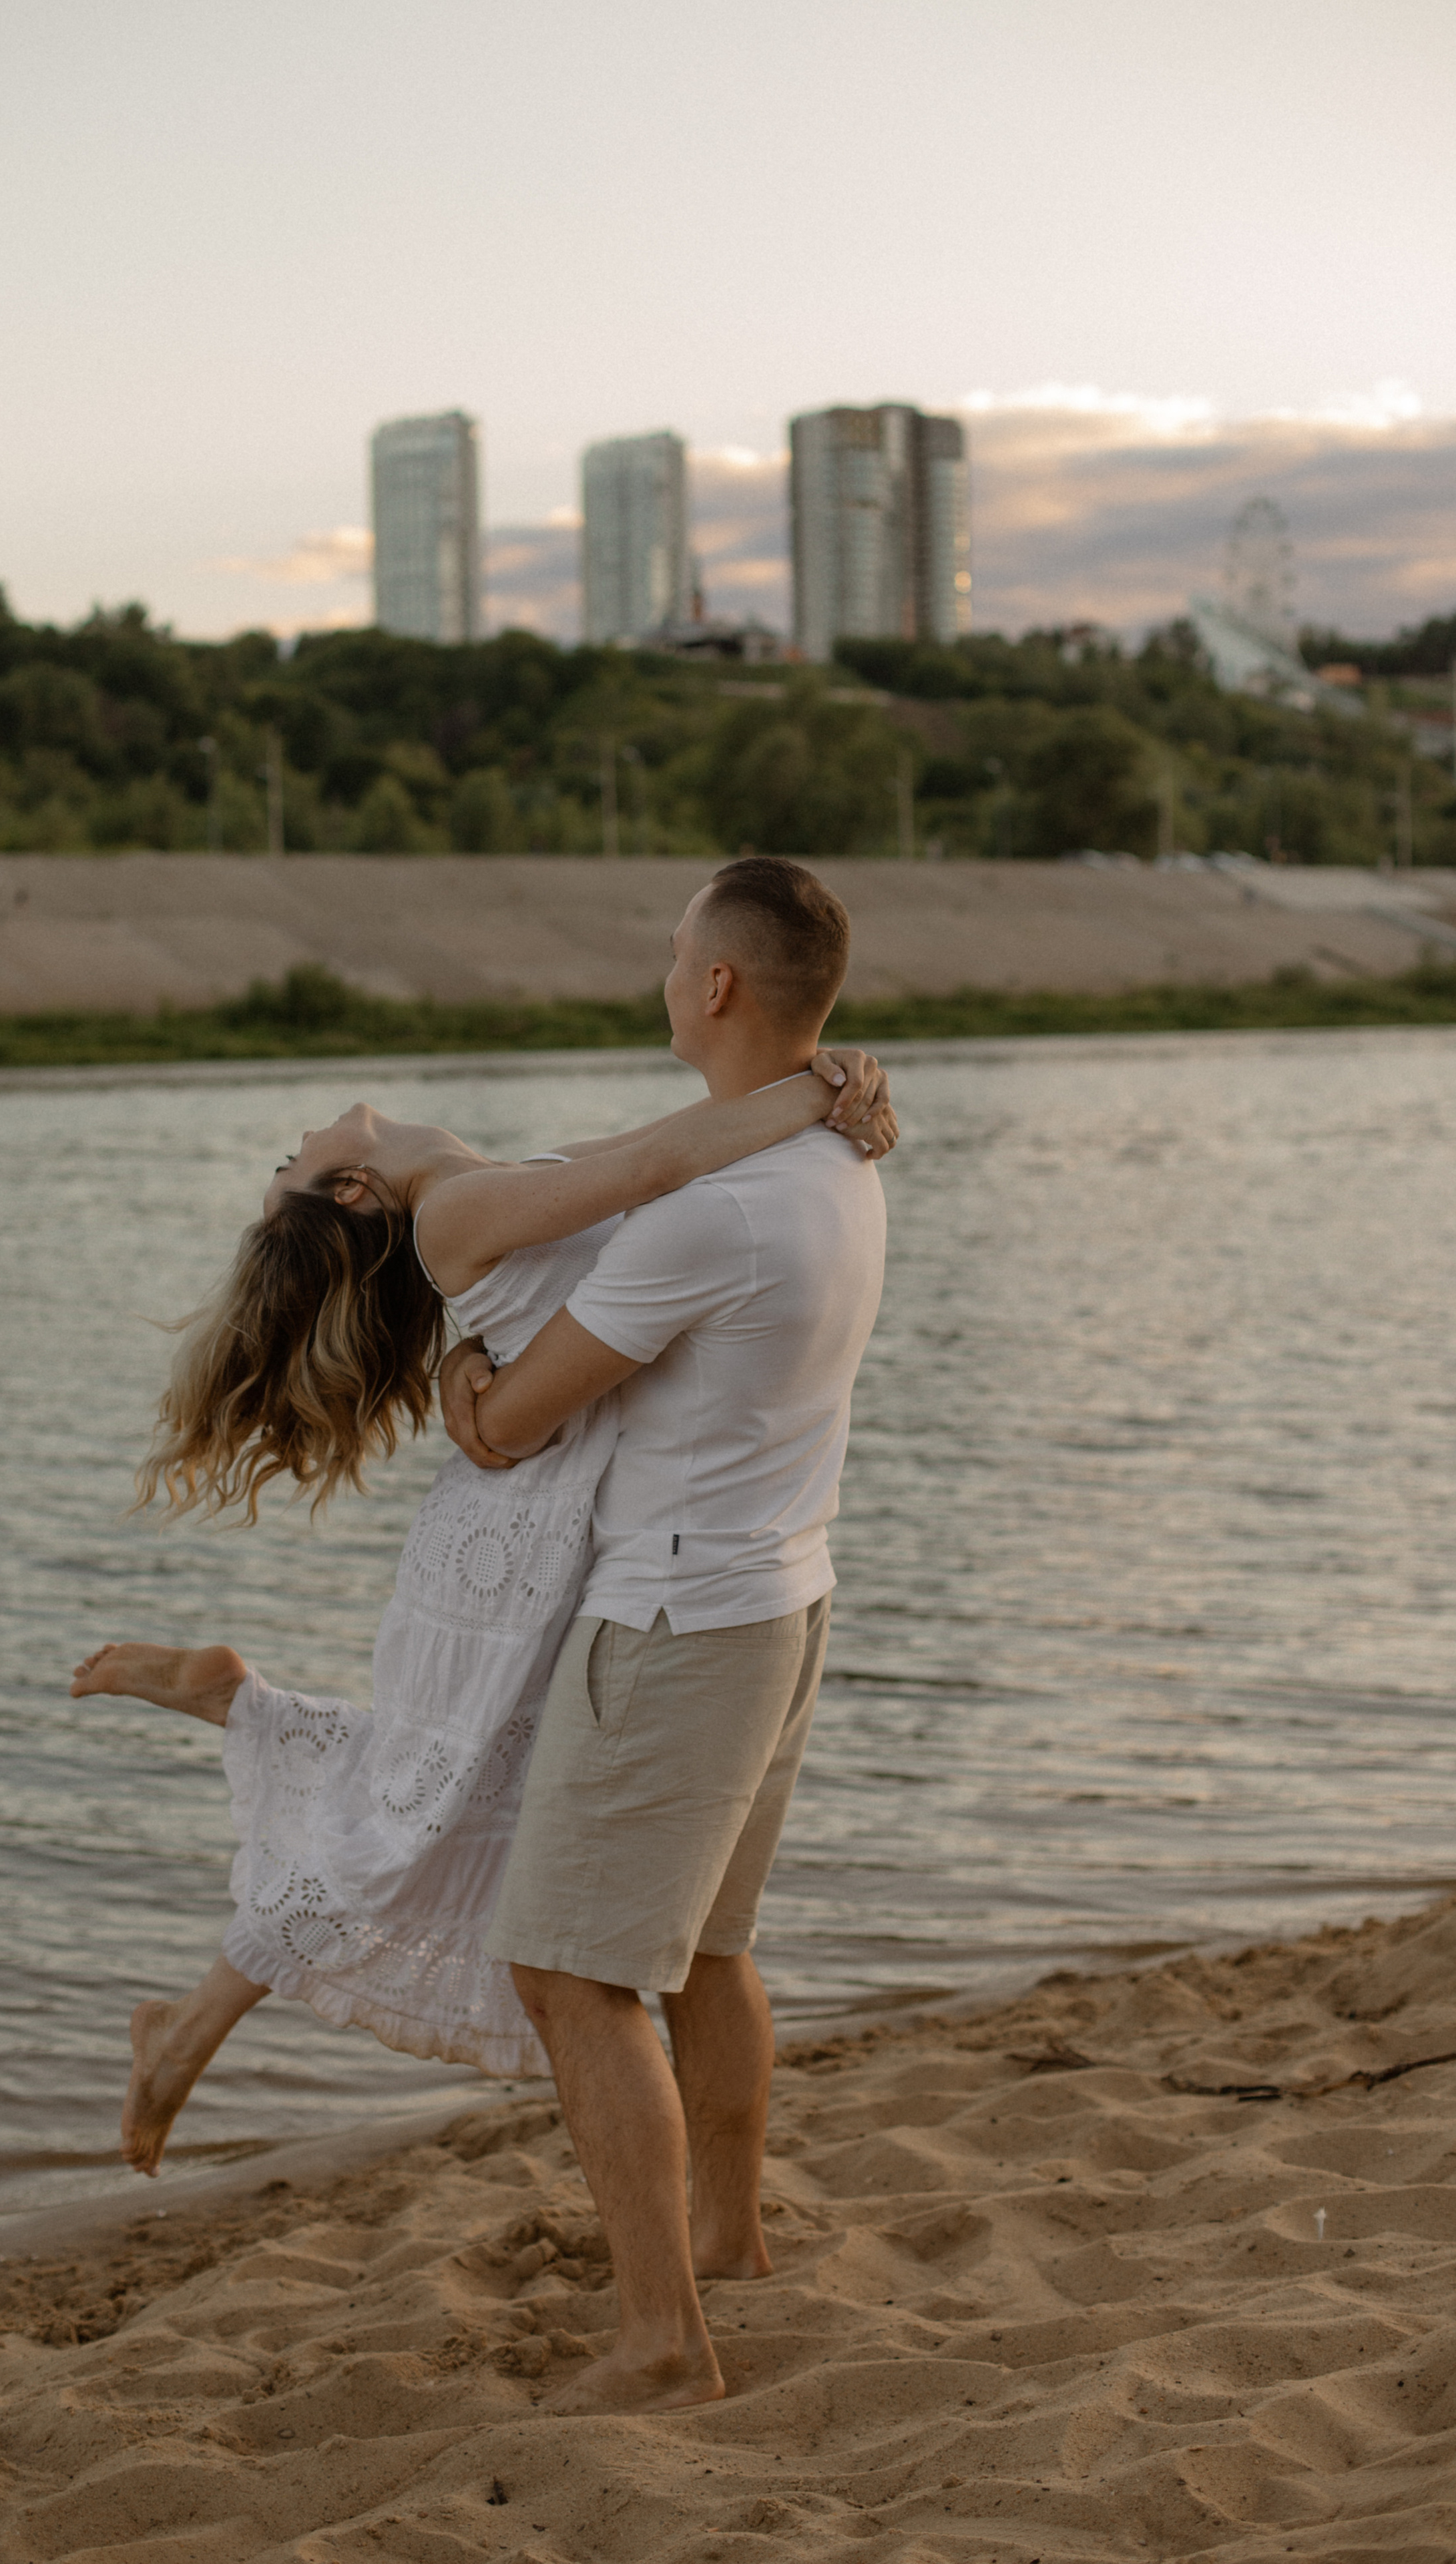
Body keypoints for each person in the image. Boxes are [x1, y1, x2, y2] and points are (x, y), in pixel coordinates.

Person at [71, 1034, 896, 2178]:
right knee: (415, 1812)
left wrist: (824, 1081)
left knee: (432, 1803)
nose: (302, 1136)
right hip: (519, 1542)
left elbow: (650, 1163)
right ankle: (236, 1752)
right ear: (353, 1187)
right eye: (289, 1158)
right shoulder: (450, 1209)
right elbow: (659, 1166)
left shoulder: (468, 1187)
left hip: (544, 1528)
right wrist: (823, 1089)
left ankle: (220, 1846)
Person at [438, 855, 889, 2416]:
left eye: (672, 947)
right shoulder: (840, 1160)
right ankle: (725, 2240)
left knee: (569, 1971)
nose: (659, 966)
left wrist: (450, 1372)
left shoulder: (712, 1219)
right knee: (706, 1946)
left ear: (715, 988)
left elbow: (506, 1423)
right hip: (781, 1602)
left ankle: (657, 2334)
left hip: (677, 1628)